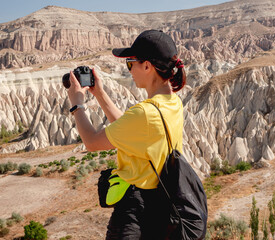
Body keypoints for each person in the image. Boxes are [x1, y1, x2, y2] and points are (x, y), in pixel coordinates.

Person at [66, 29, 187, 240]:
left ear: (147, 66)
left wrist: (77, 104)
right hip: (161, 205)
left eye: (130, 63)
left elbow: (92, 142)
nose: (129, 70)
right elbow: (129, 127)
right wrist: (100, 94)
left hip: (135, 214)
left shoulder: (144, 113)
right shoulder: (173, 103)